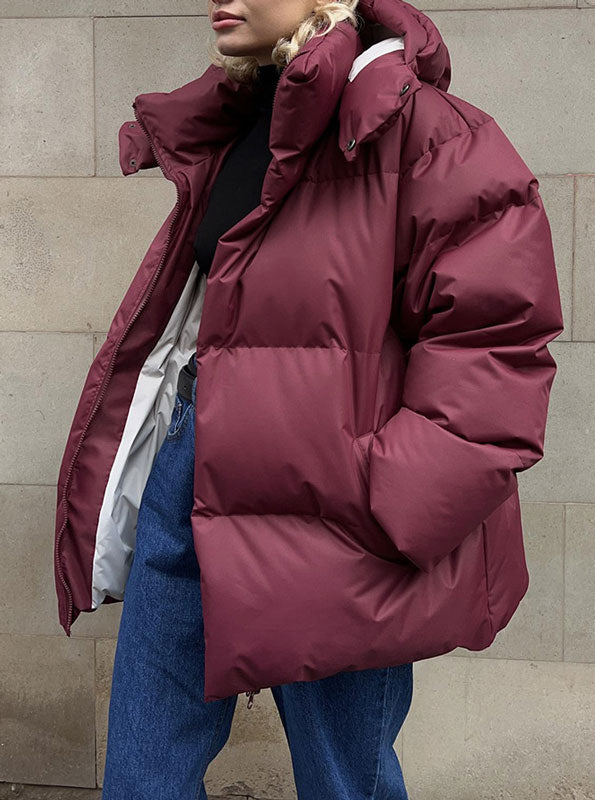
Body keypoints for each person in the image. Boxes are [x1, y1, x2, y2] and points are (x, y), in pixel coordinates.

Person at [53, 0, 564, 797]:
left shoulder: (429, 133)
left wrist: (392, 504)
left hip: (343, 512)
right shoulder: (239, 122)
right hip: (193, 472)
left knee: (343, 782)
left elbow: (495, 344)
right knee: (142, 775)